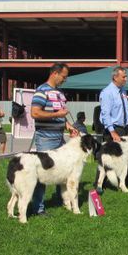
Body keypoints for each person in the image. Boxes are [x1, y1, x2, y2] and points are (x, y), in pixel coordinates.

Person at [31, 62, 79, 215]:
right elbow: (35, 113)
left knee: (63, 170)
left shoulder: (59, 92)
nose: (64, 79)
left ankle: (62, 200)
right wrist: (57, 115)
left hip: (59, 138)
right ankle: (38, 208)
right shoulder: (41, 91)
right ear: (55, 73)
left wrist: (69, 126)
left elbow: (61, 116)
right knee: (41, 174)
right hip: (45, 138)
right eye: (63, 76)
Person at [99, 66, 128, 143]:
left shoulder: (123, 90)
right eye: (123, 77)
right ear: (115, 77)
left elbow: (125, 107)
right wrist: (112, 132)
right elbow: (105, 114)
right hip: (113, 130)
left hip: (124, 129)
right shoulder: (107, 92)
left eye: (126, 77)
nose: (126, 79)